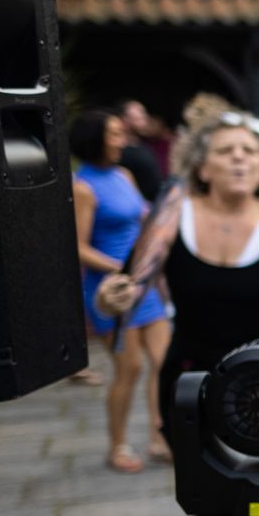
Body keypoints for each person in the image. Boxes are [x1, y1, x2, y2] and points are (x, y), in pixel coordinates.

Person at [94, 111, 259, 440]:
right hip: (196, 376)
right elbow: (128, 289)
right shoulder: (174, 216)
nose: (239, 157)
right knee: (197, 467)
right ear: (202, 168)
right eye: (225, 150)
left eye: (249, 151)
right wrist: (108, 299)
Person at [70, 109, 174, 472]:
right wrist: (121, 268)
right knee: (130, 368)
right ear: (95, 140)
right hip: (111, 292)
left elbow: (143, 218)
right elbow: (78, 247)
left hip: (144, 285)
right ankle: (117, 446)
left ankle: (161, 437)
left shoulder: (124, 175)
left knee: (165, 361)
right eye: (115, 134)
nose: (123, 140)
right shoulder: (82, 187)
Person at [119, 99, 169, 202]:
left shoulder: (144, 145)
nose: (144, 117)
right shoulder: (120, 151)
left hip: (157, 203)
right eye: (139, 113)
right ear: (124, 119)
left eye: (144, 113)